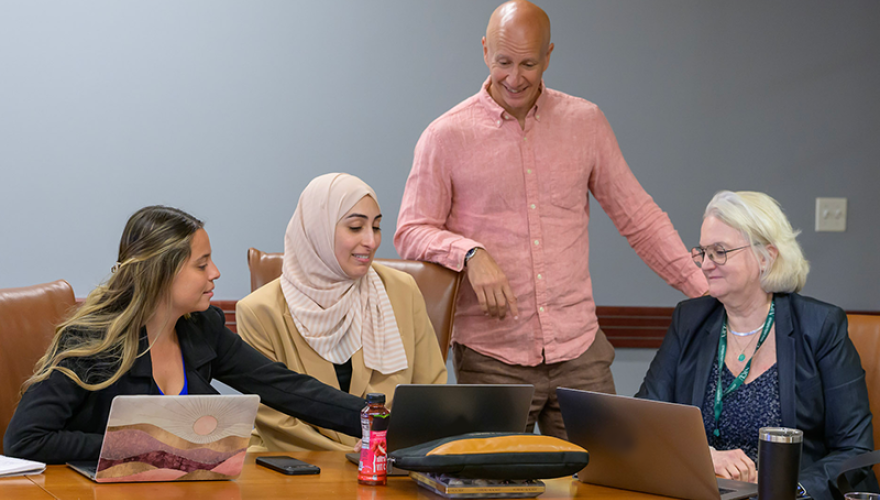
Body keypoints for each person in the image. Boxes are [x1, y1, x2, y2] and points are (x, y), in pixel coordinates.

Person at [394, 0, 707, 438]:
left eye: (528, 63)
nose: (514, 77)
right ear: (485, 50)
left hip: (581, 352)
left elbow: (640, 217)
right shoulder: (445, 135)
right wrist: (469, 253)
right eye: (503, 61)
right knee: (494, 486)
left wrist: (706, 293)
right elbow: (410, 231)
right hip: (492, 360)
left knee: (608, 481)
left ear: (549, 55)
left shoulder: (586, 122)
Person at [3, 206, 366, 464]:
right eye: (202, 263)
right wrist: (136, 445)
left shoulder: (201, 327)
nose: (217, 272)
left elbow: (285, 387)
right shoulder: (91, 338)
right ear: (161, 273)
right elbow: (26, 440)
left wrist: (377, 420)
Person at [636, 191, 876, 500]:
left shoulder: (821, 326)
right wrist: (704, 456)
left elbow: (854, 449)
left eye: (720, 251)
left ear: (766, 256)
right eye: (703, 252)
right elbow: (643, 421)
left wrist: (788, 491)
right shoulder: (689, 319)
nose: (706, 264)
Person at [236, 173, 446, 452]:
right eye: (356, 227)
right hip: (296, 466)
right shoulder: (259, 310)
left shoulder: (401, 290)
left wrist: (381, 449)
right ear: (317, 229)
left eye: (377, 227)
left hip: (390, 460)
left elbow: (430, 392)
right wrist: (353, 455)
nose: (371, 241)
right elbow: (277, 422)